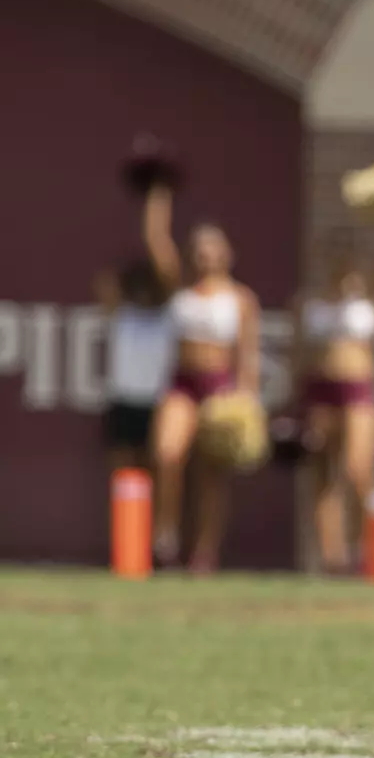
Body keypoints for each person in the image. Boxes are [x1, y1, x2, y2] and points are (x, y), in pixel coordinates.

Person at [142, 183, 261, 572]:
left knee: (211, 476)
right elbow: (155, 240)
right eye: (199, 247)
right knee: (166, 455)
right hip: (182, 383)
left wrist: (245, 399)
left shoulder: (241, 298)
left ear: (226, 253)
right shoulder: (180, 288)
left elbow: (247, 355)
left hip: (219, 388)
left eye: (212, 247)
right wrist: (159, 192)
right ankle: (165, 539)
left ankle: (205, 552)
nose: (205, 254)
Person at [291, 218, 374, 575]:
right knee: (322, 476)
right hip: (319, 391)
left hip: (357, 391)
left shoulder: (367, 295)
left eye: (348, 251)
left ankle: (364, 548)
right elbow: (298, 354)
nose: (342, 258)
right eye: (335, 250)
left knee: (358, 470)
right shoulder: (307, 301)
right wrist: (295, 402)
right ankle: (332, 558)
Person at [93, 259, 174, 477]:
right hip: (123, 402)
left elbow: (172, 279)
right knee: (123, 471)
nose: (143, 293)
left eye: (148, 288)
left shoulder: (168, 316)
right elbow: (104, 282)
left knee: (154, 469)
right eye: (138, 288)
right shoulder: (122, 314)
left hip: (156, 403)